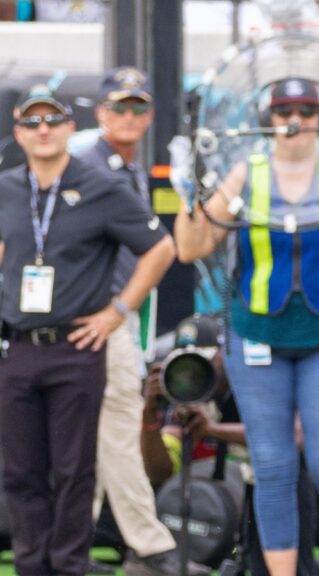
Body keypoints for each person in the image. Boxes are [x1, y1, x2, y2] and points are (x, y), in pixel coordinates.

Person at [173, 77, 319, 575]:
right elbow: (191, 248)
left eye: (303, 109)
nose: (293, 121)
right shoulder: (246, 172)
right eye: (282, 112)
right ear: (267, 121)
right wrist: (187, 195)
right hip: (258, 335)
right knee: (274, 466)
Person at [0, 85, 176, 576]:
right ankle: (31, 565)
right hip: (18, 345)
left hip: (79, 343)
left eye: (51, 121)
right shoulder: (9, 188)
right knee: (20, 469)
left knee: (75, 468)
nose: (42, 130)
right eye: (31, 123)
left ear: (70, 128)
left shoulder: (99, 185)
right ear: (17, 132)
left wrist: (118, 310)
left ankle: (70, 564)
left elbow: (160, 248)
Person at [73, 65, 206, 576]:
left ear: (149, 115)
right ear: (101, 112)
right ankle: (146, 548)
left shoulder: (122, 166)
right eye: (117, 107)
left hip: (106, 318)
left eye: (137, 107)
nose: (127, 116)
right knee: (109, 430)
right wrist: (115, 311)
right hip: (97, 317)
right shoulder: (90, 164)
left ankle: (85, 545)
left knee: (104, 433)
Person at [141, 315, 319, 576]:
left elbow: (295, 435)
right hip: (255, 485)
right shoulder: (187, 387)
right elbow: (160, 470)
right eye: (187, 363)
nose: (195, 371)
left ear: (225, 354)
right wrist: (149, 415)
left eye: (205, 361)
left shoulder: (261, 372)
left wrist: (213, 430)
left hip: (301, 482)